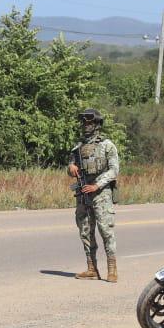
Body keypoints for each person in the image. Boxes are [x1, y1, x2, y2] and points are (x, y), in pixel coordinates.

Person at [68, 108, 119, 282]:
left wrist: (97, 185)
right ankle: (92, 268)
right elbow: (71, 167)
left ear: (97, 124)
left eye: (89, 122)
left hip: (101, 193)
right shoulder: (78, 147)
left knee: (106, 230)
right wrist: (71, 168)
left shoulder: (107, 145)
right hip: (83, 193)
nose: (85, 126)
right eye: (84, 122)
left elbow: (114, 171)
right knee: (85, 230)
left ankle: (112, 269)